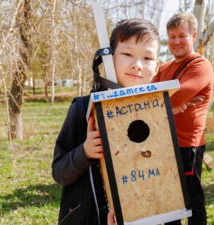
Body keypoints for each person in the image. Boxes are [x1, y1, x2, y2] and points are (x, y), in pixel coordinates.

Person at [52, 18, 160, 225]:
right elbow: (59, 173)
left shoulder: (157, 114)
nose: (137, 65)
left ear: (157, 66)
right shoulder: (83, 109)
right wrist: (84, 152)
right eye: (127, 54)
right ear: (109, 58)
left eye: (147, 58)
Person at [152, 12, 214, 225]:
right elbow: (147, 96)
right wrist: (168, 105)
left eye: (182, 36)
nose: (176, 41)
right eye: (171, 36)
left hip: (188, 144)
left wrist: (169, 102)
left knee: (191, 200)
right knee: (170, 202)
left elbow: (176, 95)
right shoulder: (165, 68)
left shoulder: (200, 65)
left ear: (194, 36)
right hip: (164, 142)